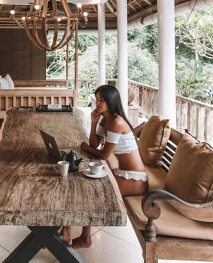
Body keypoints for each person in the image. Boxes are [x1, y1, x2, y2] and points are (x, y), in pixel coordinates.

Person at [61, 84, 148, 248]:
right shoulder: (105, 119)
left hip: (135, 179)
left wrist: (86, 148)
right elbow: (94, 144)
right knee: (86, 187)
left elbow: (104, 154)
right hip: (123, 172)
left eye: (102, 100)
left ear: (111, 101)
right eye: (97, 100)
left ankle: (78, 234)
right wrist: (94, 123)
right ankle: (70, 229)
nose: (98, 103)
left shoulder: (116, 122)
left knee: (91, 193)